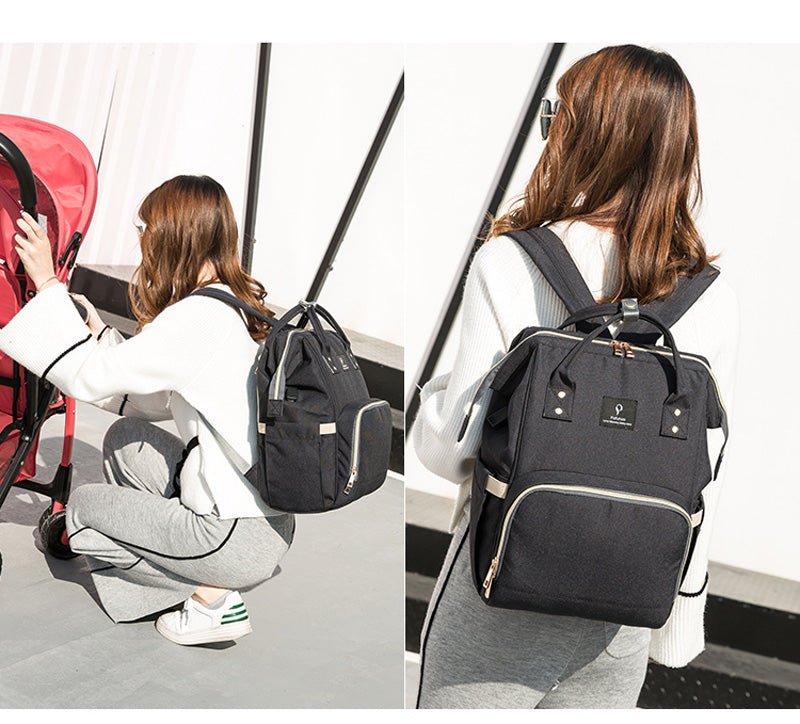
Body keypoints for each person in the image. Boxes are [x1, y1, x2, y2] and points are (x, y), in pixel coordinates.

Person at [413, 45, 739, 708]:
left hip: (498, 595)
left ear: (584, 135)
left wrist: (430, 406)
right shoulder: (710, 297)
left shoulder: (511, 263)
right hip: (622, 619)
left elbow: (451, 449)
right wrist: (678, 622)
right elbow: (700, 472)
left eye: (554, 116)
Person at [0, 175, 294, 646]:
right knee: (126, 441)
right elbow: (149, 403)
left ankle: (212, 596)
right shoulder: (231, 304)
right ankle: (199, 567)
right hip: (257, 523)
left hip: (230, 537)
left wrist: (46, 282)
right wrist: (98, 333)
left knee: (85, 509)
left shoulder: (198, 318)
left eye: (146, 227)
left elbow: (86, 378)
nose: (141, 239)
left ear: (172, 235)